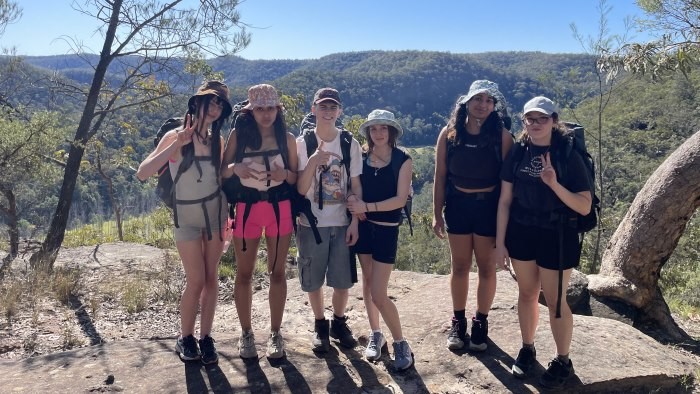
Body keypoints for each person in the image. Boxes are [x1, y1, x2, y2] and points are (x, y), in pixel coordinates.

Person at [493, 96, 591, 389]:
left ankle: (563, 360)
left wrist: (553, 183)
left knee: (555, 301)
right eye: (530, 119)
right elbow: (505, 201)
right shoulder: (519, 151)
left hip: (557, 233)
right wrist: (501, 243)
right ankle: (527, 347)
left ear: (553, 120)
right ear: (524, 122)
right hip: (522, 230)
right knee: (526, 294)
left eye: (542, 119)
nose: (535, 125)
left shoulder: (567, 154)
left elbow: (584, 205)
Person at [136, 80, 232, 364]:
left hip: (215, 216)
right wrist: (176, 145)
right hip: (187, 219)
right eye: (210, 101)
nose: (214, 108)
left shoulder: (218, 140)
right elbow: (143, 172)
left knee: (212, 278)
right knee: (196, 279)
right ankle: (185, 337)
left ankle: (206, 338)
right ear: (196, 102)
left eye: (219, 105)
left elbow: (220, 177)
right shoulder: (175, 136)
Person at [432, 80, 513, 352]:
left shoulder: (501, 136)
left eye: (489, 101)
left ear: (494, 106)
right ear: (466, 102)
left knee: (487, 268)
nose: (483, 105)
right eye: (478, 99)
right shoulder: (450, 134)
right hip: (458, 205)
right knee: (460, 266)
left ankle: (481, 321)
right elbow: (440, 176)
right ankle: (458, 321)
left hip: (488, 207)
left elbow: (508, 182)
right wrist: (436, 214)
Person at [221, 84, 298, 359]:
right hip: (247, 208)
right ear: (251, 112)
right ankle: (246, 334)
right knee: (244, 274)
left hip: (279, 208)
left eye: (270, 109)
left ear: (278, 110)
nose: (266, 115)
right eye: (260, 109)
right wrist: (234, 168)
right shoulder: (238, 137)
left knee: (277, 273)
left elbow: (295, 178)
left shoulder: (287, 139)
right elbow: (221, 172)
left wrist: (284, 176)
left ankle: (276, 335)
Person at [346, 109, 414, 370]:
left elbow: (399, 199)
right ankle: (376, 334)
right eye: (374, 129)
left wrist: (366, 208)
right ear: (368, 133)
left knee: (378, 292)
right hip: (364, 228)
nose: (378, 133)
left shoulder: (402, 159)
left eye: (383, 128)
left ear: (391, 132)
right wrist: (355, 215)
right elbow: (355, 191)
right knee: (367, 283)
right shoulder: (361, 158)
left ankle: (400, 342)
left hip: (386, 229)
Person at [296, 87, 362, 352]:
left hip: (342, 221)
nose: (327, 111)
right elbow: (299, 190)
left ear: (339, 111)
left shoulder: (349, 143)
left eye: (332, 107)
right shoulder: (302, 144)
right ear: (313, 109)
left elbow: (355, 185)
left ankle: (339, 321)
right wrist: (313, 161)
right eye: (322, 106)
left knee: (342, 279)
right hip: (310, 222)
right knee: (313, 278)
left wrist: (356, 220)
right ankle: (320, 324)